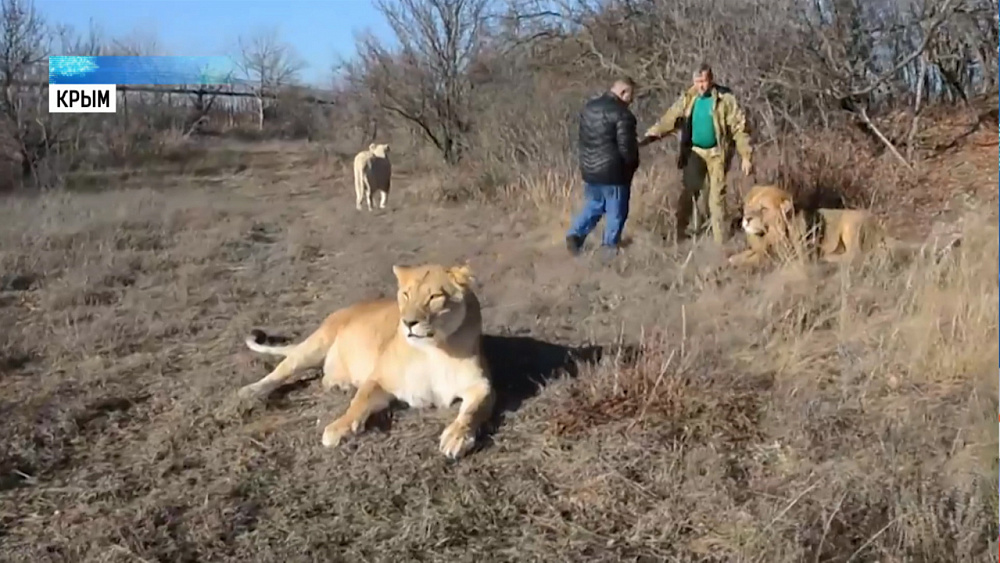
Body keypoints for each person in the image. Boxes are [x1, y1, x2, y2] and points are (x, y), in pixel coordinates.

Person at [639, 63, 754, 244]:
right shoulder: (689, 98)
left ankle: (720, 241)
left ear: (711, 79)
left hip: (717, 153)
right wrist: (652, 134)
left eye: (705, 81)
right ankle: (681, 235)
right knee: (689, 192)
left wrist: (746, 155)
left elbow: (739, 128)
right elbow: (670, 119)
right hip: (694, 152)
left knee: (717, 197)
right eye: (698, 81)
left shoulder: (725, 98)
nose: (702, 85)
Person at [565, 78, 640, 263]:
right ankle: (609, 250)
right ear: (624, 92)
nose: (632, 100)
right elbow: (627, 149)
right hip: (614, 173)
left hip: (590, 169)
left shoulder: (589, 108)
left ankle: (575, 234)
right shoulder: (623, 115)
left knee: (595, 205)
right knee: (617, 212)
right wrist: (632, 166)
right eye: (631, 95)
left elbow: (583, 139)